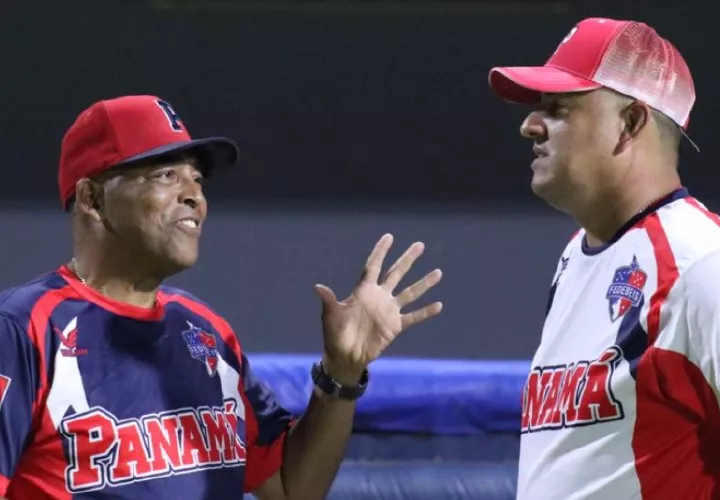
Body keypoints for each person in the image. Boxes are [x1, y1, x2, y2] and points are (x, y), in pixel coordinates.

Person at [0, 95, 443, 500]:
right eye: (166, 174)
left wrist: (342, 374)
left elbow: (291, 488)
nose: (193, 195)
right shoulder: (23, 330)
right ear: (91, 198)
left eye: (196, 178)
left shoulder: (205, 330)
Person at [489, 17, 720, 500]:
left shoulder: (702, 261)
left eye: (557, 107)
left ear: (631, 122)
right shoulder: (576, 256)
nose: (529, 125)